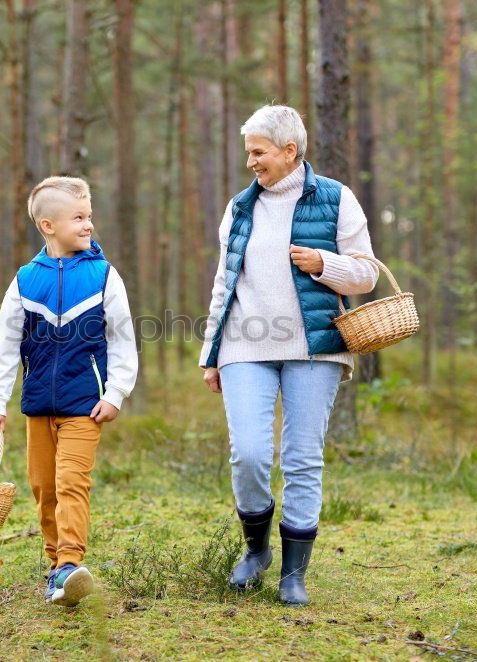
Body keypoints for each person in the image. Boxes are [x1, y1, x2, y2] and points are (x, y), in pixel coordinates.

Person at [200, 105, 379, 606]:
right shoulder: (239, 207)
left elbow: (366, 275)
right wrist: (211, 353)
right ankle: (256, 550)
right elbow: (224, 283)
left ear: (289, 151)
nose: (251, 162)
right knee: (250, 454)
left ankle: (293, 574)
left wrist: (324, 264)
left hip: (315, 346)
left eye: (258, 152)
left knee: (302, 458)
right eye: (249, 153)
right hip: (244, 344)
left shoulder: (337, 199)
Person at [0, 176, 138, 607]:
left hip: (85, 406)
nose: (89, 225)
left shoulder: (104, 276)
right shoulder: (26, 280)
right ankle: (56, 569)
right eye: (78, 218)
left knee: (72, 482)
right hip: (37, 408)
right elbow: (5, 344)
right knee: (43, 487)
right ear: (48, 225)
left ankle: (70, 561)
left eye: (89, 216)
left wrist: (117, 392)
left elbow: (123, 339)